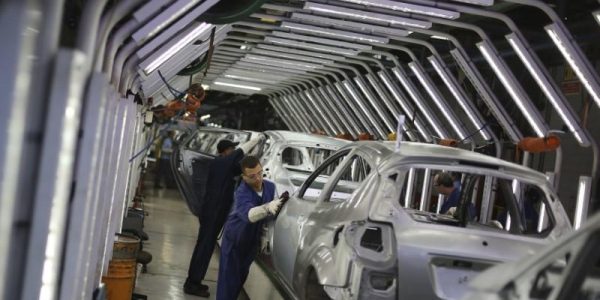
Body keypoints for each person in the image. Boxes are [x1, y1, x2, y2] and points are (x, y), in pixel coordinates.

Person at [184, 135, 264, 297]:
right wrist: (255, 140)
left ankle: (194, 281)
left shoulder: (224, 166)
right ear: (226, 151)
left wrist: (256, 153)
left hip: (213, 212)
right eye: (232, 149)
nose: (234, 151)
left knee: (205, 246)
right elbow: (239, 153)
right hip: (213, 212)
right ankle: (192, 283)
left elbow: (242, 167)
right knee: (204, 248)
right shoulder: (221, 162)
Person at [216, 156, 284, 300]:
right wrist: (267, 207)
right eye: (252, 176)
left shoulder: (271, 187)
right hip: (234, 242)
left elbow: (272, 215)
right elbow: (250, 215)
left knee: (239, 279)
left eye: (260, 173)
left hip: (251, 243)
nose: (258, 179)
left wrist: (267, 237)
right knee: (228, 283)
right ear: (244, 177)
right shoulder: (242, 192)